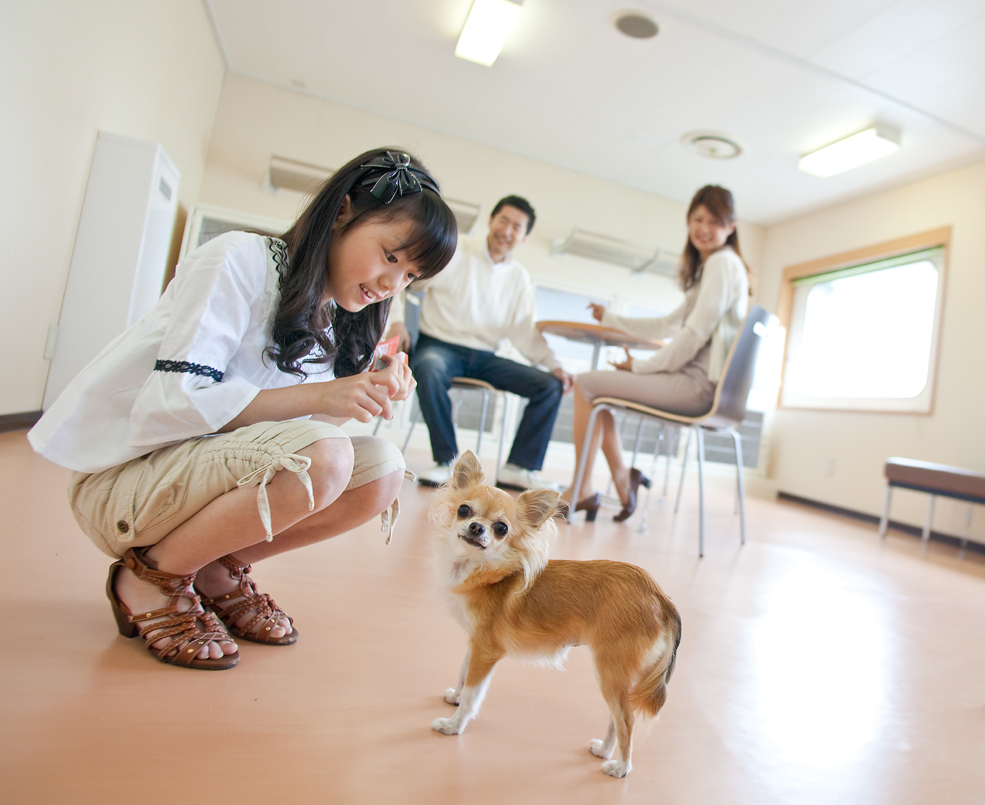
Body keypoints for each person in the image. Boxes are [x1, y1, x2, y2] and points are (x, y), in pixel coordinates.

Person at [28, 148, 457, 670]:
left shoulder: (339, 317)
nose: (393, 286)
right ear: (343, 212)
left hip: (195, 484)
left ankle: (213, 570)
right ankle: (148, 579)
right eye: (391, 256)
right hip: (124, 483)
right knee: (323, 457)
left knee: (381, 472)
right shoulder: (239, 259)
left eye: (411, 276)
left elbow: (296, 435)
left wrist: (362, 395)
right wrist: (321, 396)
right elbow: (172, 405)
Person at [562, 185, 750, 522]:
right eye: (697, 219)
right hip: (699, 384)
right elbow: (669, 324)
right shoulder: (720, 266)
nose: (703, 229)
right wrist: (611, 319)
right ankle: (620, 479)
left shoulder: (722, 263)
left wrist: (642, 367)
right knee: (596, 392)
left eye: (714, 221)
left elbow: (693, 335)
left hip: (697, 388)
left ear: (731, 226)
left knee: (587, 384)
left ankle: (583, 488)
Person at [390, 195, 573, 489]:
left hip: (485, 356)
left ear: (524, 237)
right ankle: (448, 462)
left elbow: (524, 331)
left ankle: (519, 467)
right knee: (428, 367)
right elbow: (402, 278)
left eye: (517, 227)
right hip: (439, 344)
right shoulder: (454, 248)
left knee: (550, 386)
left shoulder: (518, 278)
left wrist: (554, 365)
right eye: (504, 220)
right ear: (491, 220)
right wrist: (397, 322)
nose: (508, 231)